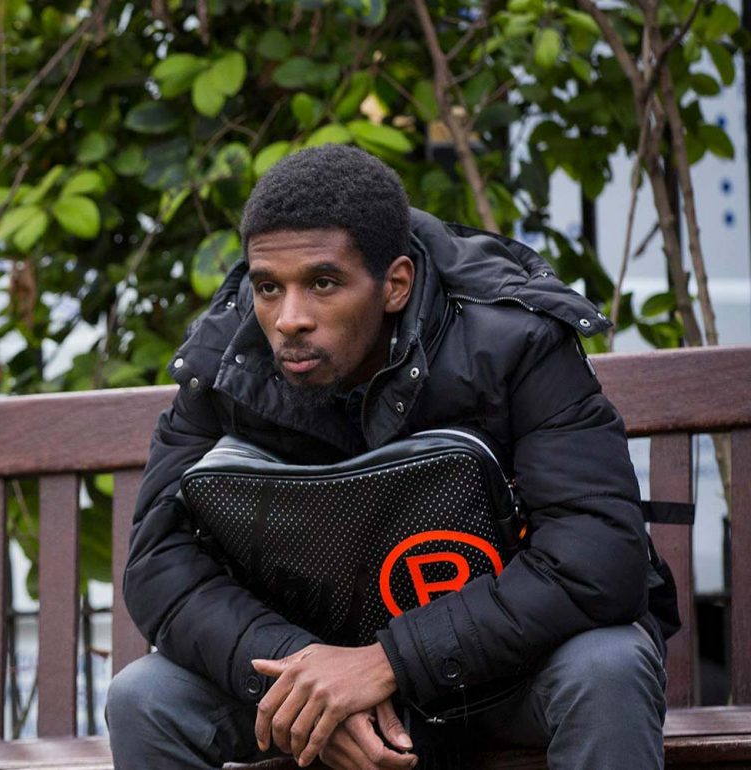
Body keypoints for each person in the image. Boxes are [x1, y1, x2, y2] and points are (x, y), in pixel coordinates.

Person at [107, 145, 674, 770]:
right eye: (268, 287)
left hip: (509, 672)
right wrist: (306, 677)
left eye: (323, 283)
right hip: (321, 668)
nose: (289, 319)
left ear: (395, 284)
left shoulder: (517, 338)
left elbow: (598, 556)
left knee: (607, 665)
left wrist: (387, 663)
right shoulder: (224, 363)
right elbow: (161, 564)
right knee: (145, 698)